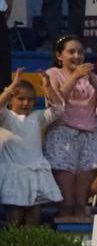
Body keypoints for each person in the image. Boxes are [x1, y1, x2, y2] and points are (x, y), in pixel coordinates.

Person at [44, 35, 97, 218]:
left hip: (89, 136)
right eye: (71, 52)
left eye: (80, 52)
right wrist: (74, 77)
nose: (77, 56)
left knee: (81, 203)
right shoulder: (53, 74)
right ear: (59, 56)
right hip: (62, 135)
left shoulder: (93, 77)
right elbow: (55, 104)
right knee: (67, 202)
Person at [0, 75, 62, 224]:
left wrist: (48, 88)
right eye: (21, 98)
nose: (26, 103)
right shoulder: (6, 117)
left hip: (35, 173)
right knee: (15, 218)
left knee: (34, 218)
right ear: (11, 100)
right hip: (14, 174)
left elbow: (58, 109)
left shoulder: (37, 117)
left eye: (30, 99)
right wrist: (11, 87)